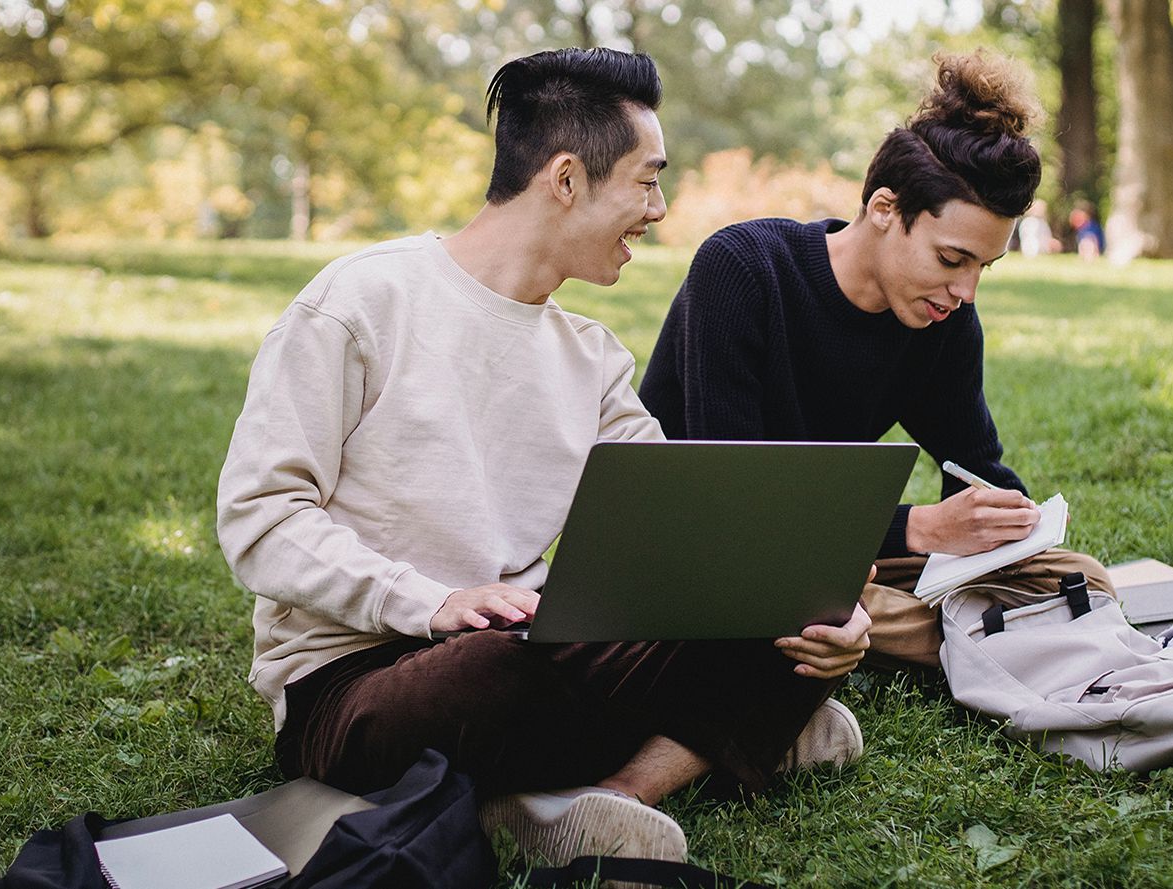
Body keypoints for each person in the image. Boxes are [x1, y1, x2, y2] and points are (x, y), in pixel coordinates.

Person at [216, 47, 872, 870]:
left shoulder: (592, 358)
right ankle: (724, 734)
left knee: (772, 614)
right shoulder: (358, 304)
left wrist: (813, 603)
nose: (659, 208)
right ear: (566, 179)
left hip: (529, 637)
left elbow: (688, 531)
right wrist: (431, 601)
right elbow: (260, 519)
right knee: (510, 663)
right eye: (647, 179)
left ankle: (608, 794)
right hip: (358, 683)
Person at [637, 50, 1123, 670]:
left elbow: (973, 466)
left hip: (827, 552)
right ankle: (981, 633)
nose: (967, 291)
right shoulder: (745, 270)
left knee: (1079, 576)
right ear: (885, 210)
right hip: (709, 548)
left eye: (983, 267)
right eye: (952, 260)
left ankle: (932, 627)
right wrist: (919, 529)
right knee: (791, 597)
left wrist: (1010, 522)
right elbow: (734, 501)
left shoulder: (942, 320)